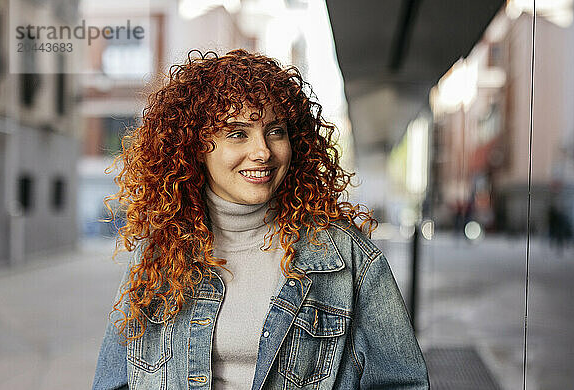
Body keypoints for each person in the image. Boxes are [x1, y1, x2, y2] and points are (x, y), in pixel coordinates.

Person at [92, 49, 429, 390]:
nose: (263, 152)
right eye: (238, 133)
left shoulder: (348, 258)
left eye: (275, 131)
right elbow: (114, 382)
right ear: (194, 147)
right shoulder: (158, 254)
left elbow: (401, 382)